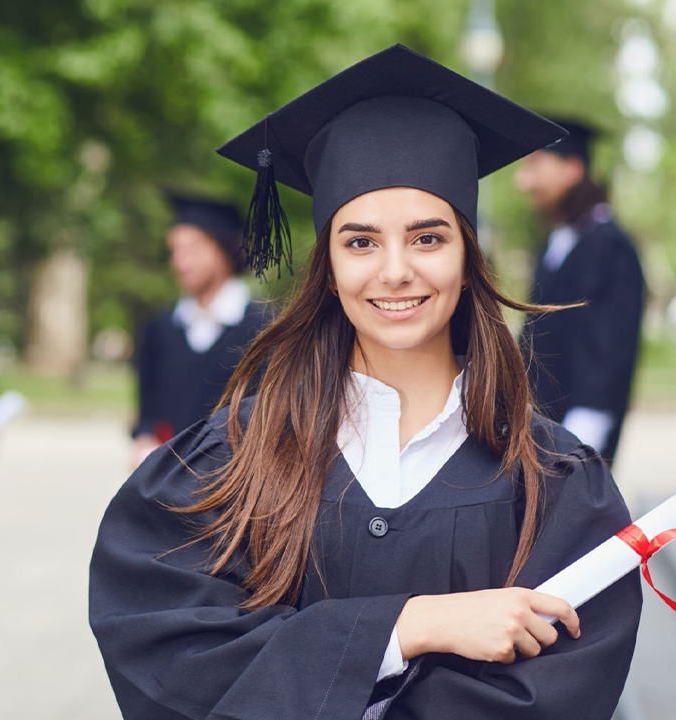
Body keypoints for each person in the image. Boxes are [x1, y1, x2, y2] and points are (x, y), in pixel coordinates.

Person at [89, 45, 642, 720]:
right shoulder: (235, 456)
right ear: (328, 264)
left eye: (428, 238)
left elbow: (556, 693)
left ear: (468, 257)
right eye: (360, 242)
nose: (395, 270)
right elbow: (171, 656)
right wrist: (408, 628)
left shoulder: (554, 482)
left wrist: (327, 664)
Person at [515, 117, 645, 463]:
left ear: (572, 169)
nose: (523, 182)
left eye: (535, 166)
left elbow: (612, 343)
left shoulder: (610, 245)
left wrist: (589, 425)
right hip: (540, 422)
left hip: (577, 429)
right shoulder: (556, 241)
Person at [131, 194, 272, 466]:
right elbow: (147, 411)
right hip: (168, 478)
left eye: (193, 250)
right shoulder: (161, 329)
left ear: (224, 249)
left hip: (240, 480)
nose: (180, 263)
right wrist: (144, 439)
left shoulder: (265, 329)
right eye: (175, 251)